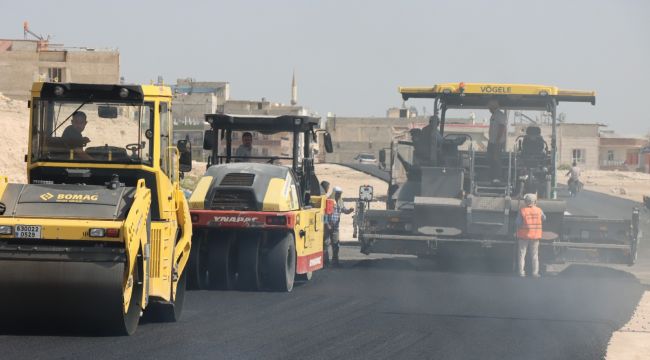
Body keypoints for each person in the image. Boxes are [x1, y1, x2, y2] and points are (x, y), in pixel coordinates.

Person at [516, 193, 546, 277]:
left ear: (526, 201)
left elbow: (517, 223)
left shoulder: (522, 211)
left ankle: (521, 272)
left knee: (522, 255)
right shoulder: (539, 210)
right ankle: (535, 273)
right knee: (534, 256)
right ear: (535, 201)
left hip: (524, 236)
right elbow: (544, 218)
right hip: (535, 237)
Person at [325, 186, 354, 267]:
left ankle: (335, 262)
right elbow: (324, 214)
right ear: (334, 193)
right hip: (327, 226)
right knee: (325, 244)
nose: (339, 195)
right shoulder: (328, 201)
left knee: (336, 244)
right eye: (338, 193)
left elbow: (344, 210)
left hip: (335, 227)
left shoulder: (341, 202)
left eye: (340, 194)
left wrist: (350, 211)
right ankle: (325, 262)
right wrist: (327, 224)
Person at [487, 99, 508, 182]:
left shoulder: (500, 115)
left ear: (493, 106)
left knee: (496, 159)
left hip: (497, 142)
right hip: (492, 141)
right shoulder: (494, 115)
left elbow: (502, 128)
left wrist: (497, 140)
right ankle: (492, 176)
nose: (488, 109)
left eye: (489, 107)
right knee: (491, 159)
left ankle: (498, 177)